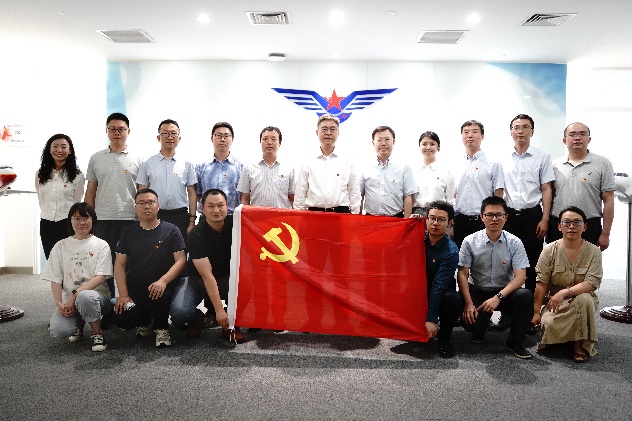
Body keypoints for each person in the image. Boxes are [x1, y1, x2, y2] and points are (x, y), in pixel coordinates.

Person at [457, 196, 534, 359]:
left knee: (525, 295)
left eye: (499, 215)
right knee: (473, 326)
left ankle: (515, 342)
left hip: (505, 292)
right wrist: (469, 303)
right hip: (478, 290)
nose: (494, 219)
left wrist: (498, 297)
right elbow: (462, 273)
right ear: (482, 217)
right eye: (489, 215)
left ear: (506, 217)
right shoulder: (469, 241)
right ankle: (482, 325)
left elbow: (521, 277)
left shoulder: (515, 242)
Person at [499, 114, 555, 333]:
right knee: (507, 266)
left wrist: (545, 218)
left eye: (525, 127)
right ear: (511, 132)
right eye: (516, 127)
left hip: (533, 216)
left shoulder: (542, 157)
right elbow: (499, 190)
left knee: (532, 266)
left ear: (532, 131)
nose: (520, 131)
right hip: (509, 217)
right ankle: (506, 313)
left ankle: (532, 315)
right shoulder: (503, 158)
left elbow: (546, 188)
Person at [113, 189, 186, 347]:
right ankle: (145, 322)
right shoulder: (128, 232)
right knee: (122, 319)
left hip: (164, 286)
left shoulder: (171, 230)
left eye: (151, 202)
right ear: (135, 207)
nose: (146, 206)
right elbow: (119, 264)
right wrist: (123, 294)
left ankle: (161, 327)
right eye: (142, 203)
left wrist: (163, 281)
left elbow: (181, 260)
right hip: (137, 286)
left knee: (157, 293)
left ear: (158, 206)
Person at [170, 189, 244, 343]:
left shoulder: (237, 226)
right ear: (202, 208)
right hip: (197, 281)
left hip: (226, 279)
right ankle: (199, 315)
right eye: (211, 206)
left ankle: (230, 324)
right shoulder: (196, 234)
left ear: (227, 206)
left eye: (220, 205)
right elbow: (207, 275)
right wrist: (219, 310)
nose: (216, 210)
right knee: (180, 314)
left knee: (243, 284)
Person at [532, 206, 602, 362]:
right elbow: (541, 283)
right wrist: (536, 312)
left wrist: (564, 292)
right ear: (559, 226)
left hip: (581, 298)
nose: (571, 227)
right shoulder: (549, 250)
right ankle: (568, 336)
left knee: (584, 299)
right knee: (549, 324)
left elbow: (591, 283)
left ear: (585, 227)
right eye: (566, 222)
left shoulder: (594, 252)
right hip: (553, 302)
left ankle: (580, 345)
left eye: (577, 223)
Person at [41, 202, 112, 352]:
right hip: (69, 301)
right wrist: (59, 303)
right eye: (77, 218)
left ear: (93, 220)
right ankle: (78, 323)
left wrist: (74, 295)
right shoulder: (60, 246)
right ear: (70, 221)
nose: (82, 222)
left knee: (85, 297)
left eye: (86, 218)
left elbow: (100, 277)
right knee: (59, 330)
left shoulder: (101, 245)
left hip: (96, 297)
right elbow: (55, 278)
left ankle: (97, 333)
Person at [84, 112, 142, 294]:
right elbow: (91, 190)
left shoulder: (138, 159)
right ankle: (108, 301)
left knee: (131, 261)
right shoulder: (96, 158)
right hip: (103, 218)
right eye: (113, 129)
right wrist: (89, 218)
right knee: (105, 262)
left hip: (130, 218)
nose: (117, 133)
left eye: (121, 129)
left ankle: (130, 300)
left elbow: (142, 192)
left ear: (128, 131)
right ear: (106, 131)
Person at [547, 122, 616, 251]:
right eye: (572, 134)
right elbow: (548, 197)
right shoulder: (554, 165)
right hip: (559, 225)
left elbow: (608, 199)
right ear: (564, 140)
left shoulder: (603, 163)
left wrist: (606, 234)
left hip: (589, 225)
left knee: (587, 263)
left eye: (582, 134)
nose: (577, 138)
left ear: (589, 139)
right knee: (557, 263)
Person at [410, 200, 461, 358]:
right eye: (432, 218)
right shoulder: (417, 238)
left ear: (449, 223)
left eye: (441, 220)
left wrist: (431, 319)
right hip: (417, 287)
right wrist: (408, 224)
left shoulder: (451, 251)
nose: (435, 223)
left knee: (453, 299)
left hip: (440, 290)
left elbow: (438, 286)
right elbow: (395, 242)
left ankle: (444, 339)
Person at [137, 119, 197, 242]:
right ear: (158, 137)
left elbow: (192, 193)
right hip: (156, 215)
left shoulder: (187, 164)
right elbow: (142, 193)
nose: (170, 137)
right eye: (165, 133)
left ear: (179, 138)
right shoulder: (147, 164)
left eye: (173, 133)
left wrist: (192, 221)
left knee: (180, 249)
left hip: (180, 216)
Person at [294, 114, 361, 214]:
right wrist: (298, 216)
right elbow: (300, 192)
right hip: (314, 214)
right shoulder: (308, 160)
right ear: (317, 132)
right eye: (324, 129)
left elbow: (354, 191)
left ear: (338, 133)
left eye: (332, 129)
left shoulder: (347, 160)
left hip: (341, 214)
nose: (328, 133)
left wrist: (355, 216)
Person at [453, 120, 504, 247]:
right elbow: (453, 194)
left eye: (474, 132)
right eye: (466, 132)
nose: (470, 135)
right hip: (460, 221)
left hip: (483, 221)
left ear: (482, 136)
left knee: (483, 257)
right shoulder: (456, 163)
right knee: (461, 257)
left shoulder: (493, 163)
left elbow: (498, 194)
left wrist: (495, 220)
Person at [35, 134, 85, 259]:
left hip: (67, 223)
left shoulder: (77, 176)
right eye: (55, 146)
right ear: (49, 149)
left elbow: (77, 201)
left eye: (63, 147)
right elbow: (41, 198)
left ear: (70, 150)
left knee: (69, 260)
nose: (59, 150)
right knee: (51, 259)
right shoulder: (40, 174)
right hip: (46, 223)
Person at [360, 125, 417, 218]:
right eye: (379, 140)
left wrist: (406, 222)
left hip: (396, 219)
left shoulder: (403, 166)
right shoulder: (364, 166)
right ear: (373, 143)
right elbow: (360, 195)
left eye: (387, 139)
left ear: (393, 142)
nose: (383, 143)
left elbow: (408, 196)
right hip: (371, 219)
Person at [237, 126, 295, 208]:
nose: (269, 142)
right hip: (256, 215)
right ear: (260, 142)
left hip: (281, 216)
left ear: (279, 143)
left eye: (273, 139)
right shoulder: (248, 168)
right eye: (265, 139)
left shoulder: (289, 169)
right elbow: (245, 199)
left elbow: (292, 200)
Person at [195, 122, 243, 215]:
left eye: (226, 136)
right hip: (208, 217)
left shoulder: (241, 167)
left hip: (232, 216)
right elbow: (198, 194)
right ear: (212, 138)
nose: (222, 139)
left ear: (232, 139)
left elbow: (244, 195)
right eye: (219, 135)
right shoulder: (201, 166)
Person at [412, 131, 455, 216]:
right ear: (419, 146)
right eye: (424, 144)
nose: (428, 147)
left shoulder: (446, 172)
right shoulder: (412, 170)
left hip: (438, 214)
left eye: (432, 144)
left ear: (438, 146)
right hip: (416, 214)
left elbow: (450, 200)